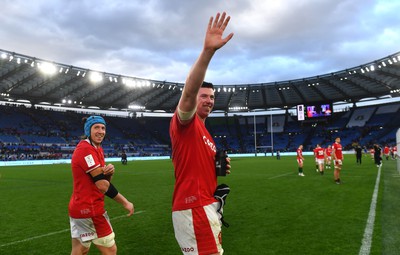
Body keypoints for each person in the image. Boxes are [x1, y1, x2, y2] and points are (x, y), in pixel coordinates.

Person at [169, 12, 233, 255]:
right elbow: (187, 94)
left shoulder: (206, 133)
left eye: (212, 97)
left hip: (204, 205)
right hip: (194, 207)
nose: (209, 100)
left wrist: (216, 172)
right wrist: (208, 52)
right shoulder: (185, 122)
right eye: (203, 96)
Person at [69, 116, 134, 255]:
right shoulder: (86, 149)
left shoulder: (97, 148)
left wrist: (109, 174)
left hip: (79, 207)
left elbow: (101, 181)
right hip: (90, 209)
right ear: (88, 130)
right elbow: (102, 186)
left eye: (103, 128)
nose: (100, 131)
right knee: (110, 250)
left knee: (80, 249)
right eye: (96, 127)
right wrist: (125, 202)